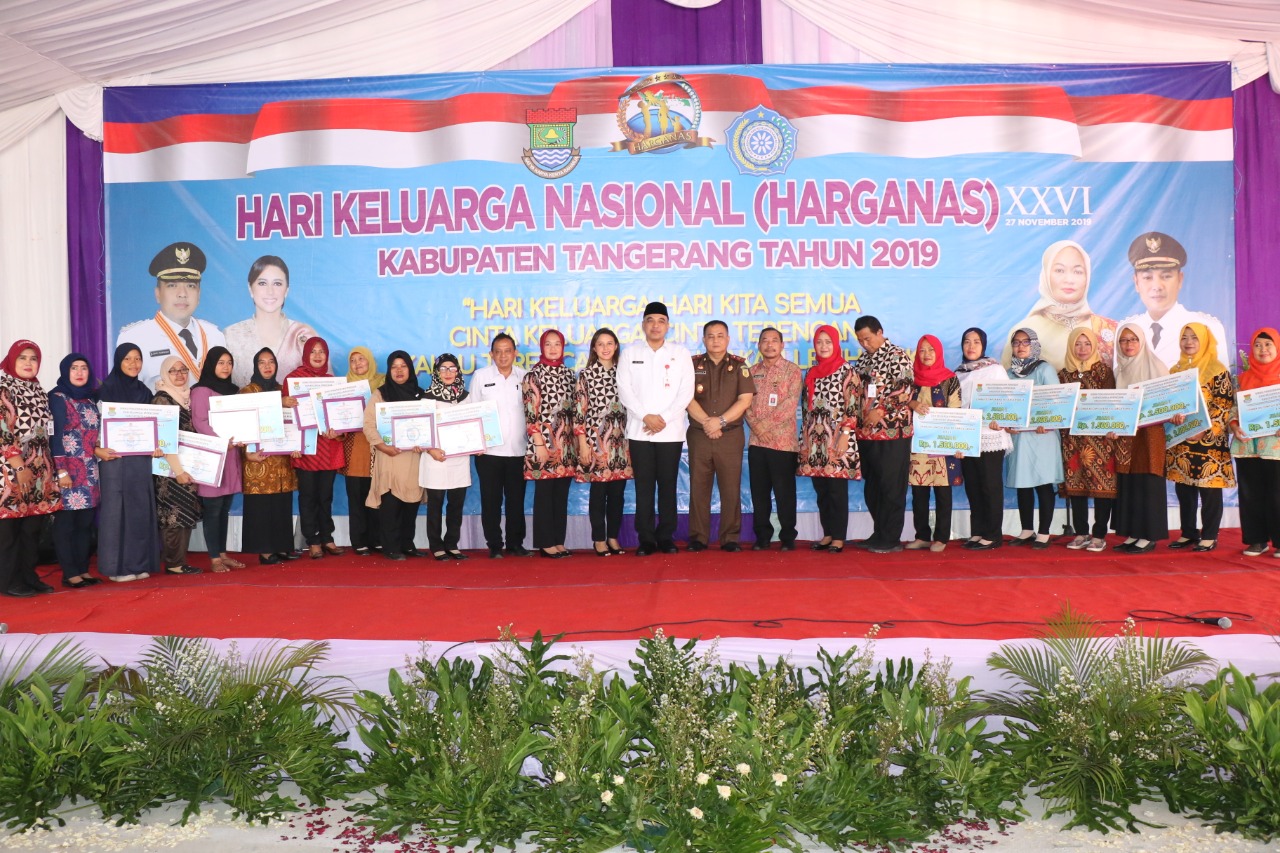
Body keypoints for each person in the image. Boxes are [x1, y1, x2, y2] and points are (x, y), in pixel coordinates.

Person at [617, 301, 695, 556]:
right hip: (639, 431)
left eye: (661, 321)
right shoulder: (630, 353)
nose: (655, 326)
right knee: (644, 487)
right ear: (643, 325)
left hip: (670, 431)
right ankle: (646, 539)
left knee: (668, 485)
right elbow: (624, 390)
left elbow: (686, 392)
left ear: (668, 325)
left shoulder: (680, 353)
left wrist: (663, 418)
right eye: (650, 320)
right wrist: (645, 417)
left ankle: (666, 536)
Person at [116, 241, 225, 390]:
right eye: (172, 285)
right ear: (158, 294)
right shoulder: (134, 338)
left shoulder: (215, 336)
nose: (182, 294)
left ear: (199, 294)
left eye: (191, 286)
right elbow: (125, 395)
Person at [686, 320, 755, 553]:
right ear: (703, 339)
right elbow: (686, 398)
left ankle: (730, 538)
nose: (715, 340)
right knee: (698, 488)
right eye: (710, 336)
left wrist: (721, 421)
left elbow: (745, 400)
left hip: (730, 436)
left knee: (730, 488)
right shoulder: (691, 365)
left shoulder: (739, 366)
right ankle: (698, 537)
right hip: (700, 435)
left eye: (720, 335)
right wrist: (708, 422)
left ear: (728, 339)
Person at [1165, 323, 1235, 551]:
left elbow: (1224, 405)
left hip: (1209, 441)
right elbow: (1170, 404)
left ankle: (1210, 535)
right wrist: (1172, 416)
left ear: (1204, 340)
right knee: (1184, 488)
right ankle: (1188, 532)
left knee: (1209, 488)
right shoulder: (1175, 371)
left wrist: (1205, 430)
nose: (1188, 342)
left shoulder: (1217, 369)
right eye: (1184, 337)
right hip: (1182, 440)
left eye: (1194, 337)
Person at [96, 343, 161, 581]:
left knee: (140, 510)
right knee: (116, 512)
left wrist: (158, 445)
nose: (134, 364)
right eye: (127, 359)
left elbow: (157, 425)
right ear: (118, 361)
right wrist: (97, 448)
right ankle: (117, 568)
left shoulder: (144, 392)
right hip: (114, 459)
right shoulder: (105, 390)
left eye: (137, 359)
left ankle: (138, 563)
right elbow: (93, 425)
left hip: (140, 461)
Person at [0, 341, 61, 597]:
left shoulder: (38, 389)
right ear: (11, 360)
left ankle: (27, 575)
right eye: (22, 357)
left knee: (32, 528)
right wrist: (18, 465)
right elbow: (3, 429)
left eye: (33, 358)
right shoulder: (4, 388)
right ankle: (8, 581)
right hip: (12, 469)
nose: (28, 362)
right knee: (10, 530)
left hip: (39, 469)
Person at [1000, 240, 1117, 370]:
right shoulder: (1023, 332)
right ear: (1046, 276)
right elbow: (1010, 380)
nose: (1069, 280)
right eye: (1059, 270)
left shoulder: (1109, 329)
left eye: (1078, 271)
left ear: (1087, 277)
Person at [1119, 232, 1229, 369]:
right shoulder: (1126, 329)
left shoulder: (1207, 327)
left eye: (1166, 276)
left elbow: (1220, 379)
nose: (1157, 286)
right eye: (1147, 277)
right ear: (1136, 282)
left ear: (1180, 279)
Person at [1058, 328, 1124, 552]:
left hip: (1100, 441)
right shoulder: (1063, 375)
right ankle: (1081, 533)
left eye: (1087, 344)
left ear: (1094, 346)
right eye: (1077, 344)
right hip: (1072, 441)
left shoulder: (1103, 372)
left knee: (1101, 487)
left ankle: (1099, 535)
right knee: (1076, 486)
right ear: (1071, 346)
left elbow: (1112, 404)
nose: (1082, 349)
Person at [852, 316, 914, 553]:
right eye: (860, 340)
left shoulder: (897, 356)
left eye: (867, 338)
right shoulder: (863, 361)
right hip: (867, 434)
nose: (864, 344)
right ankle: (879, 532)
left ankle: (891, 538)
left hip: (892, 432)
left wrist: (880, 410)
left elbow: (905, 389)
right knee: (873, 487)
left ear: (880, 332)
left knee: (891, 487)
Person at [798, 325, 861, 553]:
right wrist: (806, 439)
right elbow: (806, 408)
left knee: (836, 490)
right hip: (815, 441)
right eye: (819, 342)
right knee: (822, 490)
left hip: (837, 438)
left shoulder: (847, 371)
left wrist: (845, 434)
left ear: (836, 344)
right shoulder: (811, 372)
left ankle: (839, 537)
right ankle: (827, 534)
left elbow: (853, 406)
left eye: (828, 342)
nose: (823, 346)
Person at [1111, 323, 1170, 554]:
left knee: (1148, 482)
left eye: (1133, 339)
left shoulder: (1156, 366)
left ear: (1142, 341)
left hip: (1149, 435)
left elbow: (1167, 402)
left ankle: (1149, 535)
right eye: (1123, 340)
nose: (1128, 344)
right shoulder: (1120, 370)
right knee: (1130, 483)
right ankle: (1133, 533)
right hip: (1127, 437)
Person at [469, 333, 529, 559]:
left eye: (508, 351)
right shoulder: (481, 376)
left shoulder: (525, 377)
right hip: (489, 453)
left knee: (516, 501)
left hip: (518, 451)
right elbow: (472, 411)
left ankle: (515, 543)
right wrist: (476, 443)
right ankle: (494, 544)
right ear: (491, 354)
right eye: (498, 351)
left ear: (515, 353)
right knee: (491, 501)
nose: (503, 355)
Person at [286, 337, 346, 559]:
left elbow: (341, 415)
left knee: (325, 496)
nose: (318, 356)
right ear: (306, 354)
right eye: (313, 351)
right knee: (308, 496)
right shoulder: (293, 380)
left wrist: (340, 432)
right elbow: (286, 417)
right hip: (305, 449)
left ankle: (327, 537)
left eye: (322, 351)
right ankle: (312, 540)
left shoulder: (332, 383)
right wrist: (284, 401)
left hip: (328, 447)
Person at [574, 328, 632, 556]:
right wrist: (583, 443)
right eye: (601, 344)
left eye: (610, 343)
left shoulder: (624, 373)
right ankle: (598, 539)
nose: (606, 348)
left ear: (616, 346)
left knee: (617, 494)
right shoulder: (586, 375)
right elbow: (579, 412)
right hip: (596, 442)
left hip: (622, 443)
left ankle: (613, 538)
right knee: (599, 494)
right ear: (594, 348)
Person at [363, 351, 425, 561]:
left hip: (413, 459)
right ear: (389, 371)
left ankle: (407, 544)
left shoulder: (420, 395)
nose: (399, 371)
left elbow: (428, 425)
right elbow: (368, 424)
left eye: (403, 366)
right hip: (389, 457)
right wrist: (382, 446)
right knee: (391, 506)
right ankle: (390, 546)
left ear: (410, 369)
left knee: (411, 503)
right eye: (394, 367)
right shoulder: (381, 394)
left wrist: (424, 442)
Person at [47, 353, 103, 588]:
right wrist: (61, 471)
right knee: (66, 525)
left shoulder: (90, 399)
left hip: (89, 469)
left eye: (84, 368)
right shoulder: (58, 397)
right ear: (65, 371)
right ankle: (70, 574)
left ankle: (82, 570)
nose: (80, 373)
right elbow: (55, 436)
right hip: (68, 470)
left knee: (85, 523)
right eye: (74, 368)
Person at [1004, 329, 1063, 549]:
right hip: (1020, 438)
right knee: (1023, 484)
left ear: (1035, 345)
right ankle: (1027, 529)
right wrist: (1006, 424)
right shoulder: (1009, 374)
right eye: (1016, 342)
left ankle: (1044, 531)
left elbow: (1056, 402)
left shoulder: (1044, 369)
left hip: (1042, 435)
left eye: (1026, 342)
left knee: (1043, 483)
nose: (1020, 346)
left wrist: (1047, 421)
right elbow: (1005, 406)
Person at [744, 327, 802, 551]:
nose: (769, 345)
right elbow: (744, 403)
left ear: (782, 345)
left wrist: (763, 426)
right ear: (759, 345)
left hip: (783, 443)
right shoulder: (751, 372)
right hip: (757, 443)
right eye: (765, 341)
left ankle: (788, 537)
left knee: (784, 493)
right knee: (759, 493)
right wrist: (757, 428)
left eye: (774, 340)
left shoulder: (792, 371)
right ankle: (763, 536)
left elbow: (790, 404)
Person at [239, 348, 299, 565]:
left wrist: (298, 444)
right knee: (262, 506)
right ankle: (264, 550)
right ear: (256, 366)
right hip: (258, 460)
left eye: (271, 362)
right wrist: (279, 401)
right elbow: (242, 424)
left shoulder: (282, 390)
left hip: (282, 459)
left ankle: (282, 546)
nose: (267, 366)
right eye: (262, 362)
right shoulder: (247, 392)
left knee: (281, 503)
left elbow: (295, 422)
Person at [955, 328, 1012, 550]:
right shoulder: (958, 373)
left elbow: (1008, 400)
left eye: (976, 342)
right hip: (968, 437)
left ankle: (993, 534)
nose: (971, 346)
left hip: (990, 436)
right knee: (973, 487)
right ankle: (977, 532)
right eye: (967, 341)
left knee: (990, 486)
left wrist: (1002, 420)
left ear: (983, 345)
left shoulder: (995, 369)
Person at [904, 335, 962, 552]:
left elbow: (956, 412)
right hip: (917, 446)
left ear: (939, 352)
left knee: (943, 493)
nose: (926, 354)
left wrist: (958, 443)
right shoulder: (911, 379)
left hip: (943, 445)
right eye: (922, 350)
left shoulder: (950, 379)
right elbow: (899, 402)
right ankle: (922, 536)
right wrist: (912, 403)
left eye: (931, 350)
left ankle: (941, 537)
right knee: (919, 493)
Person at [524, 329, 578, 558]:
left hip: (566, 445)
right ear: (542, 347)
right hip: (543, 444)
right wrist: (539, 443)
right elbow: (530, 412)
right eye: (548, 344)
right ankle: (545, 543)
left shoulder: (569, 375)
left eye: (557, 344)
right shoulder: (533, 375)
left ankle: (558, 540)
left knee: (560, 495)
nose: (553, 348)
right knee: (545, 495)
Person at [223, 255, 317, 387]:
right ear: (250, 289)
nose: (270, 291)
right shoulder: (231, 335)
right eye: (262, 283)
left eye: (277, 284)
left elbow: (322, 385)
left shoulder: (303, 334)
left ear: (286, 290)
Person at [191, 347, 244, 572]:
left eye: (229, 363)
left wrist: (242, 435)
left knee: (224, 508)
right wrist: (222, 442)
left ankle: (223, 554)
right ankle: (214, 558)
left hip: (230, 457)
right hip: (212, 457)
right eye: (221, 362)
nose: (225, 367)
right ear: (211, 364)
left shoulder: (233, 391)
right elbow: (200, 422)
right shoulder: (201, 390)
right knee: (213, 509)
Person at [1230, 327, 1280, 558]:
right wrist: (1234, 426)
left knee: (1277, 494)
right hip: (1247, 445)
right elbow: (1233, 409)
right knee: (1251, 494)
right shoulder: (1242, 380)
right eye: (1257, 345)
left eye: (1268, 344)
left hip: (1275, 447)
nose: (1263, 349)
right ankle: (1256, 540)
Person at [152, 355, 203, 574]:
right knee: (173, 514)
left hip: (187, 465)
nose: (179, 375)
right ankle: (174, 563)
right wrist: (178, 470)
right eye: (173, 371)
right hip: (171, 469)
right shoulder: (162, 400)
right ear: (166, 374)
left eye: (183, 370)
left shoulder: (187, 397)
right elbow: (164, 439)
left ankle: (179, 561)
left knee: (184, 512)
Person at [421, 354, 472, 560]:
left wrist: (478, 443)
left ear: (458, 371)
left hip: (459, 459)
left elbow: (473, 424)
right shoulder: (427, 398)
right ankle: (436, 545)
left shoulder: (466, 397)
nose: (448, 373)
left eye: (452, 368)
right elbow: (421, 429)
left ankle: (452, 543)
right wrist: (431, 449)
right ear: (436, 372)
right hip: (436, 459)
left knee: (456, 504)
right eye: (443, 368)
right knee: (435, 505)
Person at [343, 346, 384, 555]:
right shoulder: (343, 387)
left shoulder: (384, 384)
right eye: (353, 360)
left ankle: (377, 538)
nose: (357, 363)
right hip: (356, 449)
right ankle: (359, 540)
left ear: (370, 361)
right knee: (357, 496)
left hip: (379, 448)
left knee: (378, 494)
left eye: (361, 359)